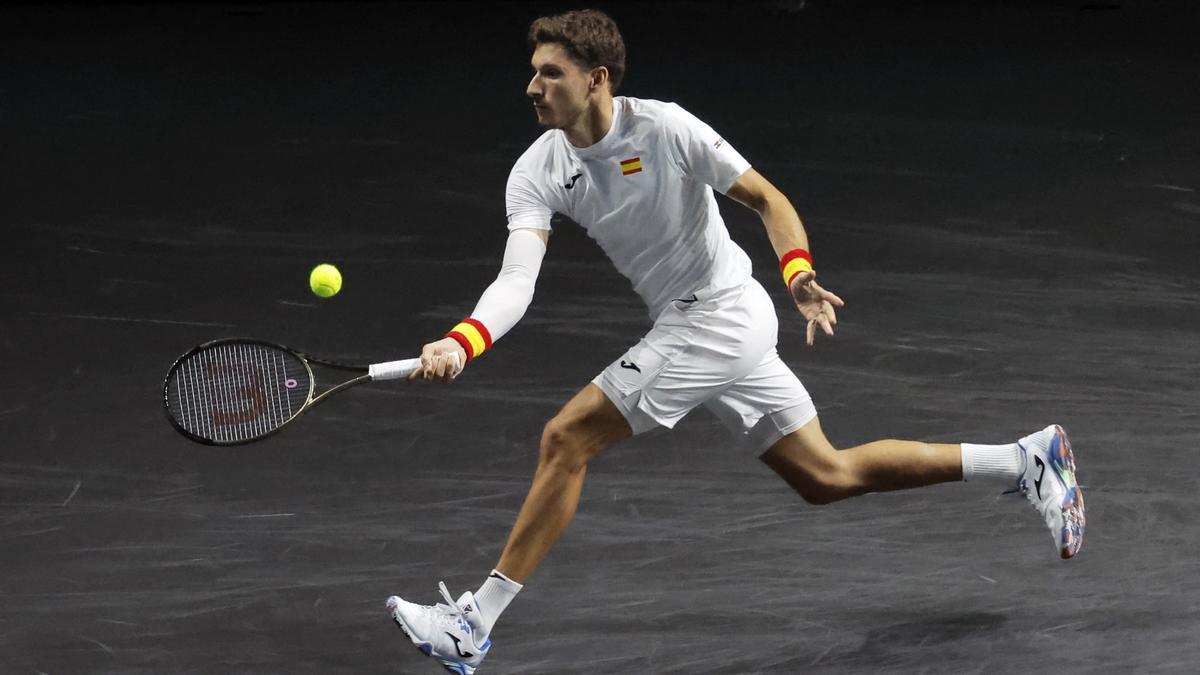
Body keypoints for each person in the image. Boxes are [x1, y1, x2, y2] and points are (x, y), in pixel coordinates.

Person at [385, 9, 1085, 674]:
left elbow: (767, 199)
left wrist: (800, 273)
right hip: (700, 324)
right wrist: (464, 340)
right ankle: (1025, 460)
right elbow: (516, 280)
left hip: (722, 313)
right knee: (826, 475)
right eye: (533, 72)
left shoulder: (665, 128)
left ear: (597, 78)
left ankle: (474, 621)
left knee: (567, 437)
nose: (532, 86)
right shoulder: (537, 170)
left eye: (550, 73)